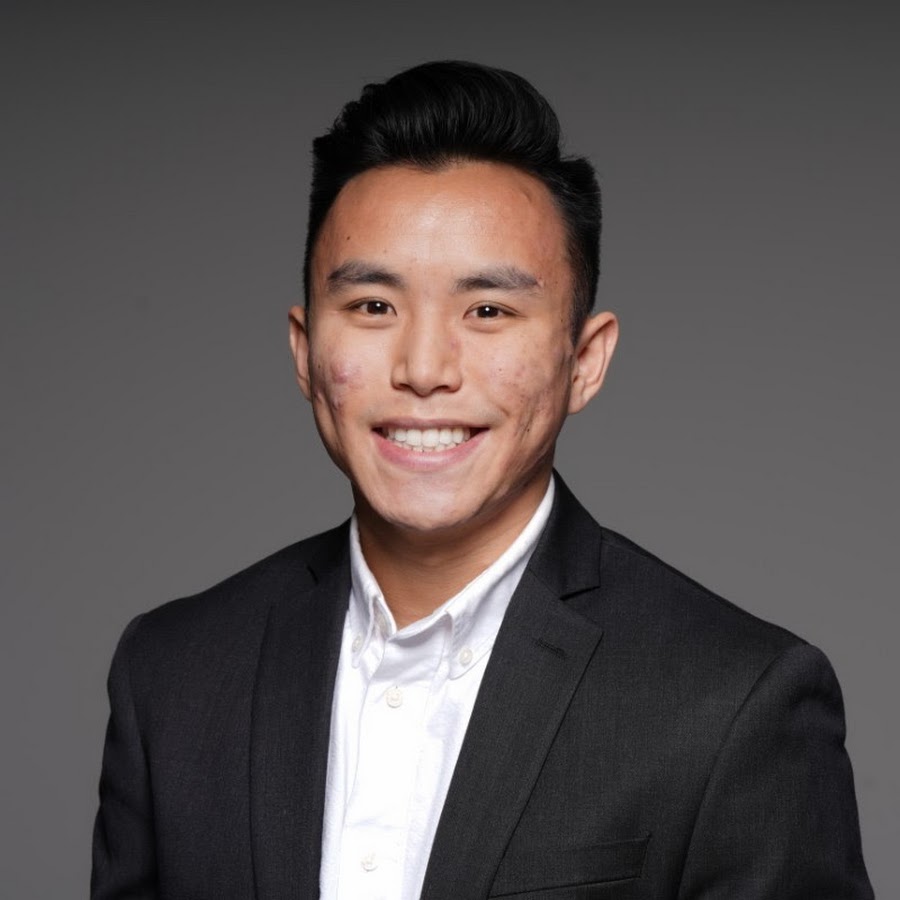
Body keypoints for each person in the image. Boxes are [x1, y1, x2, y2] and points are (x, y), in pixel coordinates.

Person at [91, 61, 873, 899]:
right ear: (305, 351)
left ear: (584, 360)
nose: (424, 368)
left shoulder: (735, 701)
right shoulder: (173, 673)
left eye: (489, 311)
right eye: (374, 307)